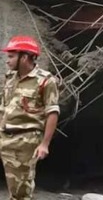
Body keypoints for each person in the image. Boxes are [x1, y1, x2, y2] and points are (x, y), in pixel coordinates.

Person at [1, 35, 60, 200]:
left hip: (26, 141)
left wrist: (45, 144)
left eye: (11, 56)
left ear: (24, 57)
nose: (7, 61)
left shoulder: (45, 80)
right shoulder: (10, 78)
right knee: (14, 188)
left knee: (22, 190)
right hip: (5, 138)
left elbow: (52, 112)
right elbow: (3, 108)